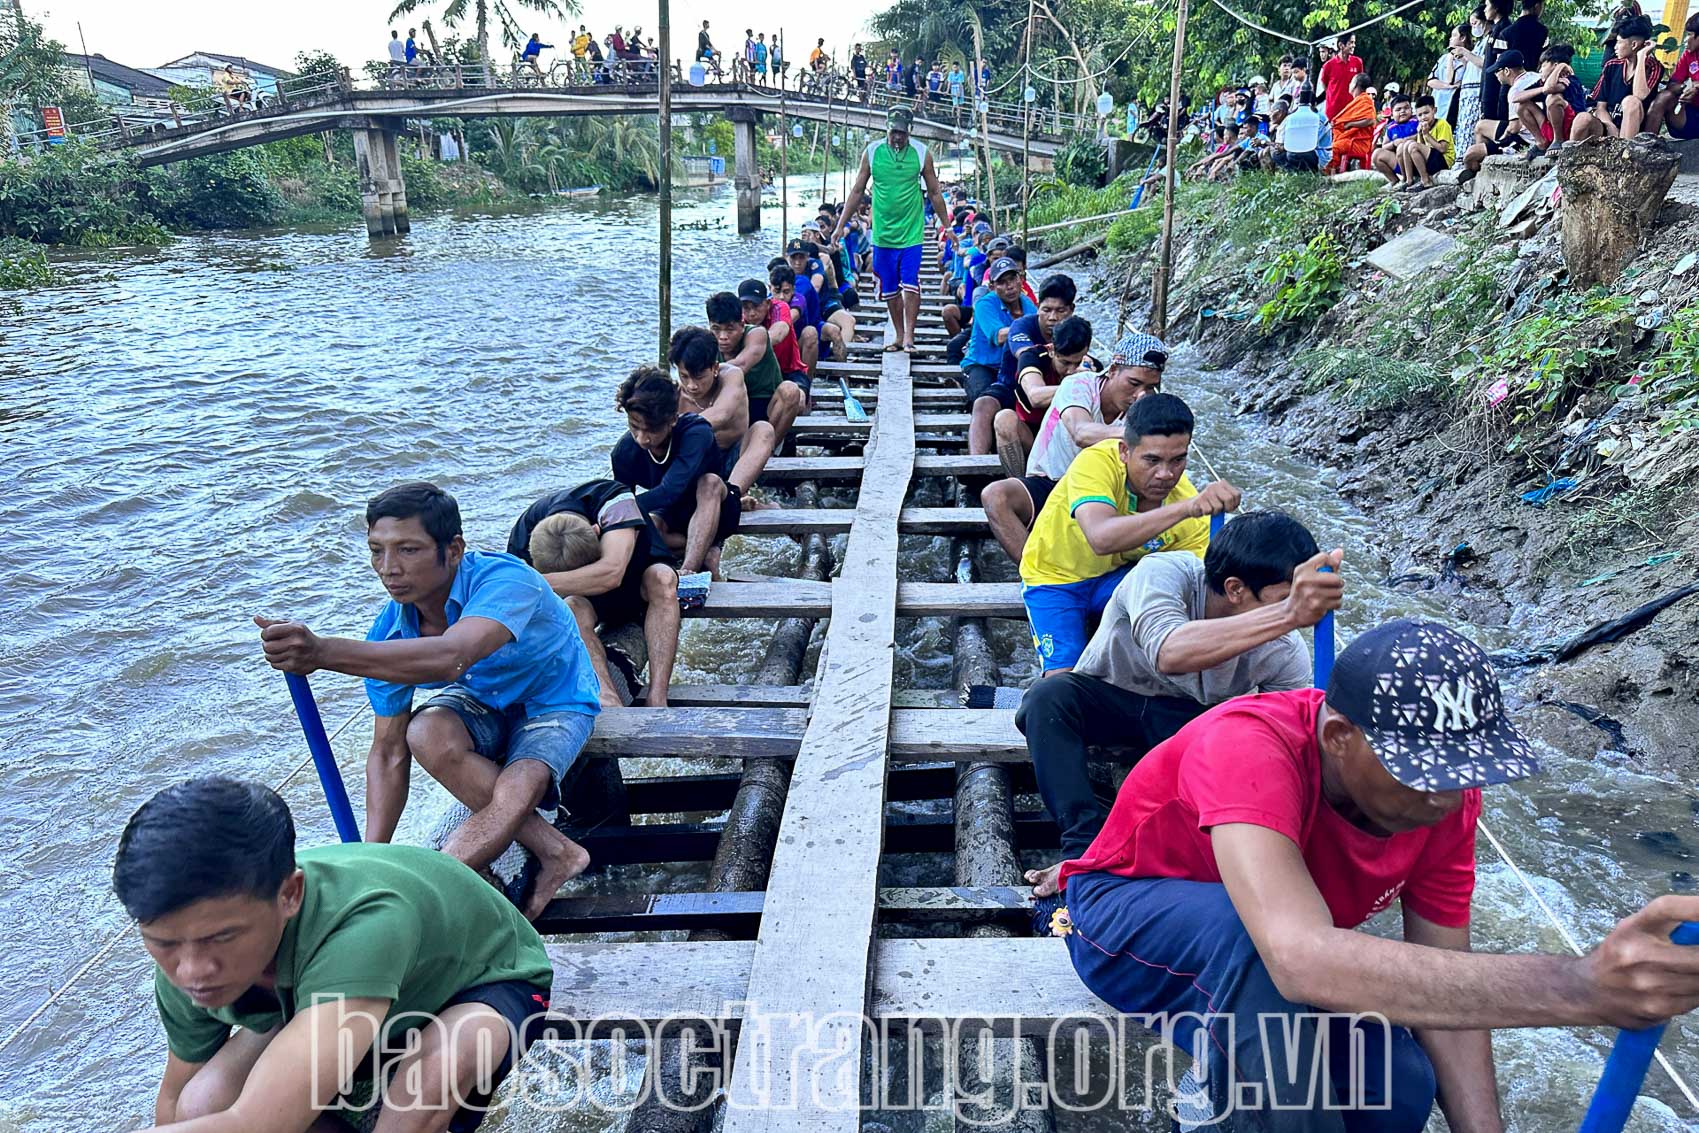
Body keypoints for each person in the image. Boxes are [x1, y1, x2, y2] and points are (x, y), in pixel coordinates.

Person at [1035, 616, 1699, 1129]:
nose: (1443, 798)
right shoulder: (1246, 744)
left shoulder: (1446, 798)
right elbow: (1298, 958)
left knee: (1399, 1086)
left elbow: (1449, 994)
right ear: (1338, 738)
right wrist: (1579, 985)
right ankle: (1220, 1099)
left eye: (1458, 774)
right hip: (1120, 920)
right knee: (1259, 956)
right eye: (1420, 774)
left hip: (1264, 958)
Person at [116, 777, 556, 1133]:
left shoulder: (363, 925)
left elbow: (257, 1123)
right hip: (341, 1002)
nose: (193, 970)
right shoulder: (184, 959)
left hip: (478, 982)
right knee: (201, 1104)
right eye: (165, 943)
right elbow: (176, 1099)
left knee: (418, 1100)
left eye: (222, 937)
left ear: (290, 895)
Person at [255, 481, 600, 920]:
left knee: (523, 777)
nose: (388, 568)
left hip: (555, 699)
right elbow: (387, 752)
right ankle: (559, 853)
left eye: (407, 550)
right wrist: (368, 861)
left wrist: (323, 653)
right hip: (483, 702)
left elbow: (453, 657)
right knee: (423, 730)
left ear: (453, 549)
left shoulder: (508, 579)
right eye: (376, 550)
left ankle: (434, 879)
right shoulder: (389, 633)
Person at [1019, 511, 1337, 895]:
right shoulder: (1165, 574)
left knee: (1248, 749)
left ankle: (1166, 859)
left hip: (1188, 727)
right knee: (1047, 697)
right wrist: (1287, 615)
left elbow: (1288, 741)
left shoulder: (1284, 650)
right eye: (1284, 598)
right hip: (1111, 698)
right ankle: (1083, 848)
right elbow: (1168, 651)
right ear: (1235, 589)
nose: (1294, 614)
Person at [1019, 393, 1234, 676]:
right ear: (1124, 451)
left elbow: (1199, 586)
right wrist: (1187, 509)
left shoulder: (1187, 504)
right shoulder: (1096, 463)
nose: (1166, 475)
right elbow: (1101, 538)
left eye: (1178, 460)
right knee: (1061, 682)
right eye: (1152, 460)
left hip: (1117, 580)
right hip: (1057, 579)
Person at [982, 330, 1165, 565]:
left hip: (1099, 493)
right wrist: (1143, 436)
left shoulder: (1146, 406)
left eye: (1150, 387)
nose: (1141, 395)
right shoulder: (1079, 384)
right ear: (1111, 372)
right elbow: (1081, 432)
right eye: (1134, 383)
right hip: (1052, 482)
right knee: (995, 496)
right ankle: (1034, 572)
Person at [507, 481, 680, 709]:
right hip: (585, 601)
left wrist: (534, 583)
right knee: (571, 607)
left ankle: (658, 696)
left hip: (636, 581)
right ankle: (607, 698)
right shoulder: (523, 535)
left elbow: (612, 574)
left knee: (662, 578)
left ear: (597, 531)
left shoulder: (614, 500)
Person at [832, 106, 952, 354]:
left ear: (909, 131)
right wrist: (839, 225)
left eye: (902, 133)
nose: (897, 137)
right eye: (893, 132)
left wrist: (947, 226)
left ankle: (909, 336)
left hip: (911, 231)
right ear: (887, 128)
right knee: (889, 288)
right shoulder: (873, 152)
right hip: (883, 233)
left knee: (910, 283)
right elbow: (857, 190)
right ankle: (898, 334)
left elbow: (935, 192)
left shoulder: (921, 153)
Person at [611, 368, 740, 578]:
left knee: (709, 482)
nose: (642, 439)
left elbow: (670, 490)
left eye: (651, 430)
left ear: (672, 419)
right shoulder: (624, 452)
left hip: (716, 507)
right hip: (672, 514)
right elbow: (625, 500)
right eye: (635, 427)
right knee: (648, 524)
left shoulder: (696, 432)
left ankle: (689, 570)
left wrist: (618, 508)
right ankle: (704, 550)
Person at [992, 275, 1094, 478]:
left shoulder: (1092, 366)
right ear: (1051, 350)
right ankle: (1021, 483)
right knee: (1002, 417)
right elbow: (1036, 396)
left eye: (1060, 311)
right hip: (1032, 434)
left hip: (1069, 441)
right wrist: (1078, 383)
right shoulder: (1032, 354)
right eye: (1065, 363)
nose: (1071, 370)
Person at [707, 289, 806, 455]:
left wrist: (707, 373)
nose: (722, 337)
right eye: (716, 329)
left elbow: (740, 365)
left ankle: (769, 451)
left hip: (766, 406)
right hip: (736, 409)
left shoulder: (756, 334)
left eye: (730, 330)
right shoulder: (707, 342)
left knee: (790, 390)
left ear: (741, 323)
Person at [960, 256, 1036, 458]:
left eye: (1012, 280)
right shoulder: (986, 304)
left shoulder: (1028, 305)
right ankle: (976, 464)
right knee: (982, 401)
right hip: (982, 365)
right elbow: (999, 335)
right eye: (1002, 282)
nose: (1009, 286)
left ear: (1021, 280)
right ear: (993, 286)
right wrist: (1026, 329)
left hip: (1011, 368)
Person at [1571, 14, 1662, 142]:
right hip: (1608, 127)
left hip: (1635, 133)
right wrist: (1610, 126)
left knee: (1631, 102)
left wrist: (1641, 57)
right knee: (1582, 118)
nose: (1615, 47)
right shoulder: (1612, 65)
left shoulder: (1653, 67)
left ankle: (1624, 156)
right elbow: (1600, 107)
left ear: (1634, 44)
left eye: (1619, 42)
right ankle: (1569, 160)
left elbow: (1639, 95)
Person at [1648, 13, 1699, 139]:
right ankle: (1647, 144)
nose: (1685, 40)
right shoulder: (1688, 55)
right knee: (1664, 97)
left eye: (1689, 35)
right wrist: (1685, 87)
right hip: (1691, 117)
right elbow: (1672, 85)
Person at [1330, 74, 1378, 172]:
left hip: (1358, 143)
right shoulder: (1359, 100)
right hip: (1352, 139)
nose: (1349, 84)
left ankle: (1331, 175)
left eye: (1351, 82)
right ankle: (1335, 171)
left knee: (1332, 149)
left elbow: (1370, 120)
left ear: (1355, 84)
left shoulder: (1365, 100)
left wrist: (1350, 124)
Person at [1274, 86, 1325, 171]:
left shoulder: (1319, 118)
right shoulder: (1296, 118)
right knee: (1277, 154)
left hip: (1317, 152)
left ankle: (1310, 172)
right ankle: (1294, 173)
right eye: (1298, 105)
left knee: (1292, 154)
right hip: (1300, 149)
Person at [1371, 96, 1421, 183]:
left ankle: (1409, 180)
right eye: (1398, 109)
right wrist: (1394, 143)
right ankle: (1394, 181)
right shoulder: (1391, 127)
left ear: (1412, 110)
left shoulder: (1417, 121)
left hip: (1417, 160)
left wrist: (1407, 140)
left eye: (1406, 108)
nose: (1402, 111)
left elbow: (1423, 135)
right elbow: (1384, 146)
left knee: (1402, 147)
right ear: (1392, 114)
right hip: (1399, 161)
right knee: (1376, 154)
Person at [1320, 33, 1364, 121]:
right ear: (1341, 45)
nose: (1353, 45)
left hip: (1352, 110)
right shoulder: (1328, 65)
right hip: (1333, 113)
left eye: (1354, 43)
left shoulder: (1357, 62)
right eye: (1350, 43)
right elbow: (1325, 85)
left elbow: (1361, 83)